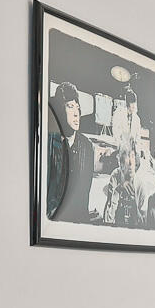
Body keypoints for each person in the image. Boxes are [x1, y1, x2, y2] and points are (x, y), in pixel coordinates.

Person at [45, 83, 101, 223]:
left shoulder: (87, 147)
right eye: (70, 106)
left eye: (78, 107)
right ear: (60, 110)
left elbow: (84, 196)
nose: (77, 113)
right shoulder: (50, 142)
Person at [100, 141, 145, 228]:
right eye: (127, 157)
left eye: (132, 156)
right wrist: (117, 190)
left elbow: (142, 225)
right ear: (121, 163)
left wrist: (135, 207)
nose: (131, 162)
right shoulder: (115, 177)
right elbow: (107, 220)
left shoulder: (140, 185)